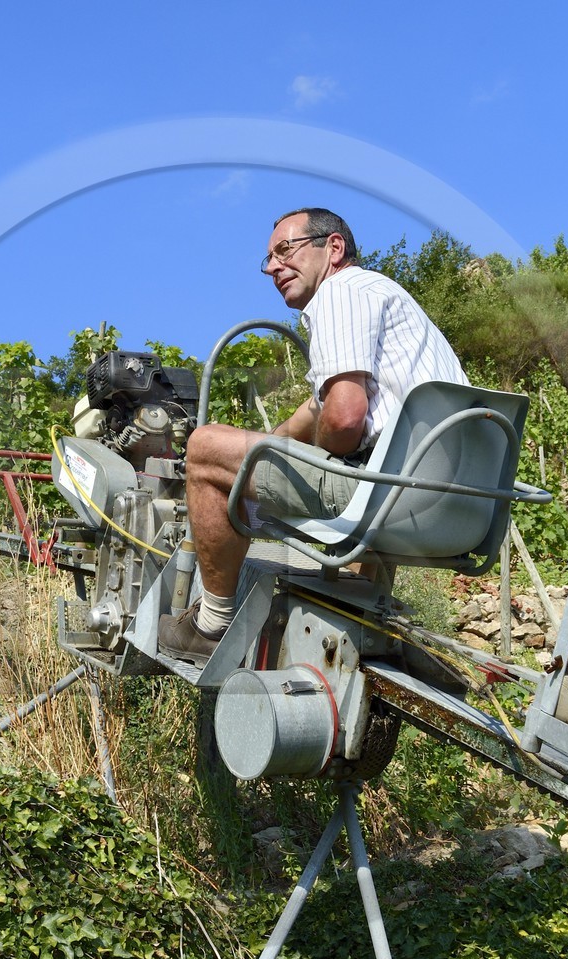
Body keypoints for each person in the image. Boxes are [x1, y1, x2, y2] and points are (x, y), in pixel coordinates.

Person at [159, 207, 470, 662]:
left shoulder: (340, 293)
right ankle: (359, 608)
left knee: (205, 448)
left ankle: (212, 624)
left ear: (334, 248)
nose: (271, 267)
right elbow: (314, 412)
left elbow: (343, 421)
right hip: (453, 509)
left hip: (390, 495)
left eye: (284, 250)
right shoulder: (388, 300)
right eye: (266, 260)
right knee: (244, 455)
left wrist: (225, 457)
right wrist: (255, 453)